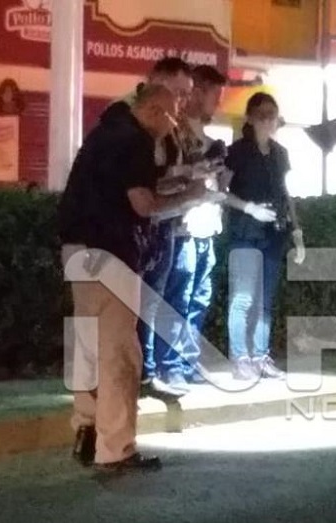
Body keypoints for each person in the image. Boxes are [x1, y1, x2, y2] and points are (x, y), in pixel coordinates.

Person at [58, 84, 208, 473]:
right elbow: (143, 204)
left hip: (77, 250)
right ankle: (116, 448)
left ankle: (87, 427)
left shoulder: (105, 132)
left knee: (88, 346)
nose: (173, 125)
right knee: (120, 354)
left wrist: (174, 186)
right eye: (172, 115)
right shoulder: (136, 140)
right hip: (111, 254)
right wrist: (190, 197)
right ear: (155, 110)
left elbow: (128, 187)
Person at [99, 57, 195, 400]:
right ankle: (130, 376)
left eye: (185, 95)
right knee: (129, 306)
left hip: (160, 224)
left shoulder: (169, 123)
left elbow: (159, 172)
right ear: (156, 82)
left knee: (151, 302)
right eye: (178, 92)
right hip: (129, 227)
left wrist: (185, 180)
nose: (182, 101)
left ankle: (144, 372)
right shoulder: (124, 116)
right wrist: (183, 190)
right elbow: (138, 185)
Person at [221, 92, 306, 381]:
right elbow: (221, 191)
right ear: (250, 118)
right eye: (262, 115)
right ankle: (240, 357)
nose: (268, 120)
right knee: (243, 297)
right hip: (245, 232)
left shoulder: (280, 153)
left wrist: (297, 231)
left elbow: (286, 192)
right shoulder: (236, 152)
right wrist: (249, 208)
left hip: (274, 233)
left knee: (265, 299)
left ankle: (260, 355)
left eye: (273, 115)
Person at [155, 65, 228, 390]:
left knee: (199, 296)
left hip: (205, 223)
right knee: (179, 297)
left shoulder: (201, 134)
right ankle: (169, 364)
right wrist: (199, 169)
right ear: (198, 92)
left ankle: (187, 360)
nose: (218, 103)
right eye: (215, 95)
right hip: (183, 224)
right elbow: (172, 174)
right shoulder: (177, 130)